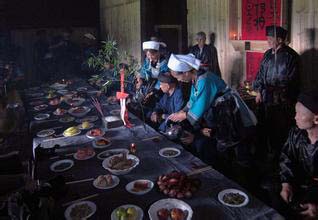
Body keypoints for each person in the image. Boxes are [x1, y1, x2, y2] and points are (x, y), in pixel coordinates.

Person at [167, 53, 256, 183]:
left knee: (237, 148)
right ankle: (229, 178)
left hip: (230, 114)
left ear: (186, 72)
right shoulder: (195, 79)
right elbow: (192, 101)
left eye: (178, 77)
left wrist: (183, 115)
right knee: (225, 147)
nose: (179, 80)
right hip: (222, 115)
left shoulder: (205, 80)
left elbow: (199, 109)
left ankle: (244, 183)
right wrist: (181, 111)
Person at [253, 25, 301, 165]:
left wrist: (282, 97)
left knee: (279, 132)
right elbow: (260, 74)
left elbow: (294, 82)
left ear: (280, 39)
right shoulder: (268, 54)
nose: (268, 41)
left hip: (281, 102)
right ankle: (262, 157)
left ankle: (278, 162)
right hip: (265, 98)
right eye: (267, 38)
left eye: (270, 38)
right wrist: (258, 90)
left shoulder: (291, 56)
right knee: (262, 128)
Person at [269, 91, 318, 219]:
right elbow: (287, 158)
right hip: (299, 183)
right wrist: (286, 183)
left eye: (299, 114)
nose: (295, 117)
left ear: (316, 119)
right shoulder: (296, 133)